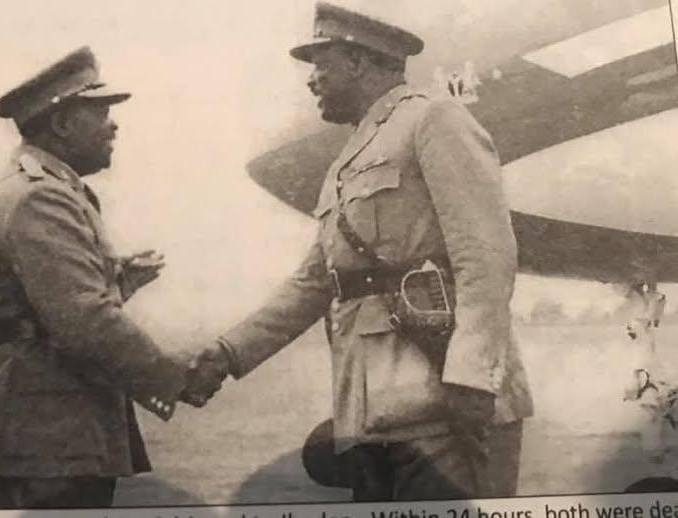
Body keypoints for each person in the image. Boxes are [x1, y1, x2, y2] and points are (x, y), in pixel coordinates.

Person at [183, 2, 533, 501]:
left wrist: (472, 375)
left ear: (357, 61)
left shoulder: (434, 118)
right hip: (372, 412)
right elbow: (314, 282)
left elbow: (486, 253)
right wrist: (228, 353)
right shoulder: (346, 162)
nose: (311, 81)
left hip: (442, 402)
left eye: (320, 64)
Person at [0, 46, 193, 509]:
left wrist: (119, 281)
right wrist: (174, 376)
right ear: (61, 124)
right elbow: (82, 318)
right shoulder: (39, 197)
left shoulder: (46, 190)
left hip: (40, 431)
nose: (113, 125)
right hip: (41, 434)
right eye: (99, 112)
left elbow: (39, 302)